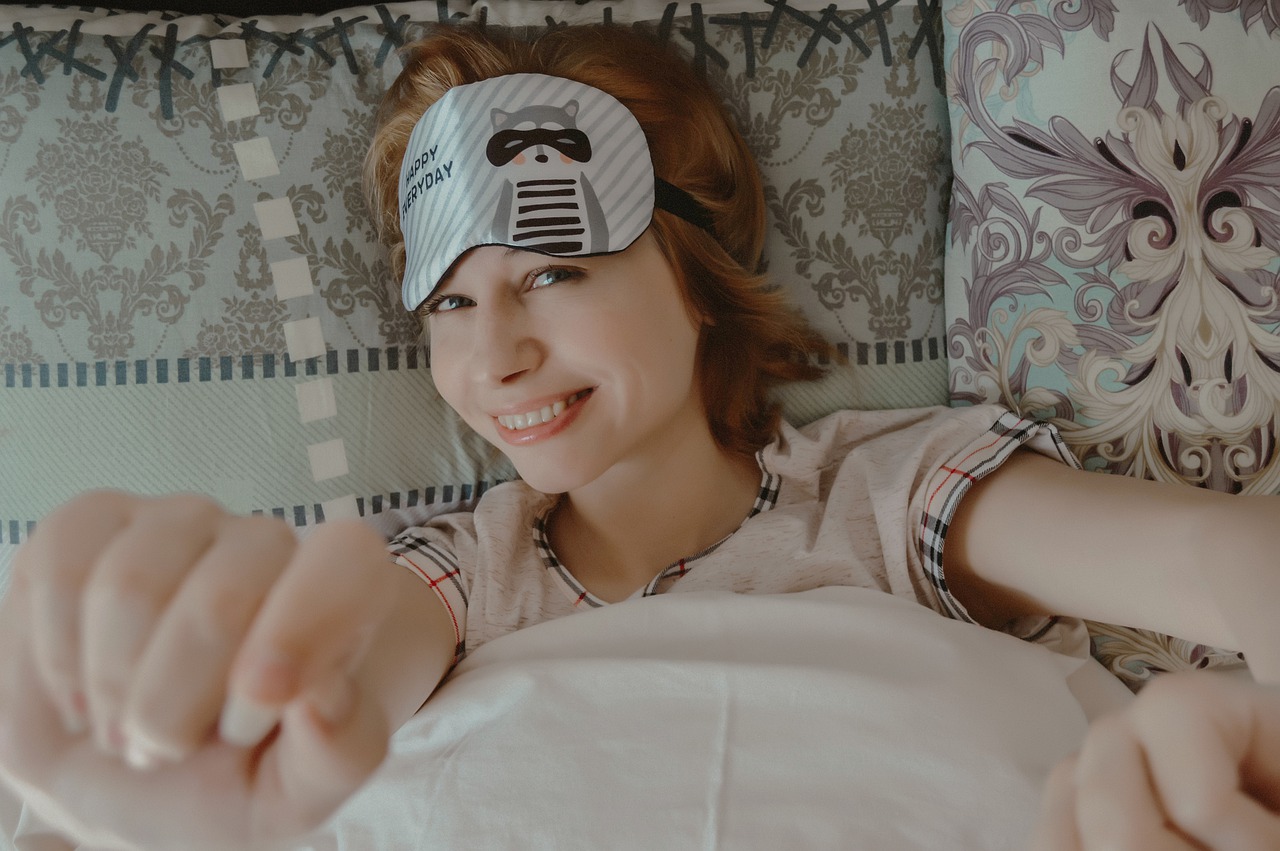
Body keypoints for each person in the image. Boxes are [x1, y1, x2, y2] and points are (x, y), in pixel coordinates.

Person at [0, 22, 1279, 851]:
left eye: (553, 272)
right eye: (450, 303)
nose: (494, 355)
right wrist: (201, 745)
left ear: (694, 273)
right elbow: (337, 682)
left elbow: (1224, 562)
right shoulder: (464, 569)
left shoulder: (885, 494)